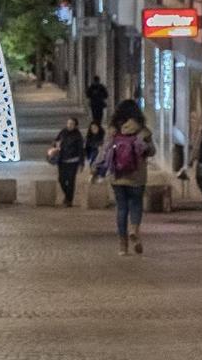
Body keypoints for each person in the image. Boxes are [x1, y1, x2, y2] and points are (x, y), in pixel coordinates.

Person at [96, 98, 154, 254]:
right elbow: (152, 151)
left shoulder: (113, 131)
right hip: (137, 176)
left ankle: (123, 246)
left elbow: (104, 152)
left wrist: (96, 169)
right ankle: (134, 230)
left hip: (117, 175)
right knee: (136, 204)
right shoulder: (143, 131)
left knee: (121, 209)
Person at [49, 116, 86, 207]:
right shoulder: (63, 132)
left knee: (70, 181)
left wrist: (81, 163)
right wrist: (54, 146)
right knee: (61, 179)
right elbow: (56, 141)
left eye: (72, 124)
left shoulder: (78, 136)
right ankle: (67, 196)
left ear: (76, 126)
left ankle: (69, 200)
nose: (69, 125)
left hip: (73, 161)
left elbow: (81, 150)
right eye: (68, 123)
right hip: (62, 160)